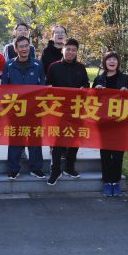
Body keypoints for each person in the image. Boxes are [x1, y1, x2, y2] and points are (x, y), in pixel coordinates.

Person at [1, 36, 46, 180]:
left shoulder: (38, 65)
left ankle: (36, 168)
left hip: (34, 109)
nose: (24, 49)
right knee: (15, 139)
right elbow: (4, 88)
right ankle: (13, 169)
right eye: (21, 46)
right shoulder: (9, 65)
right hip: (15, 109)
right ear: (16, 49)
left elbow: (42, 86)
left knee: (35, 139)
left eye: (26, 46)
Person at [46, 38, 90, 186]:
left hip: (76, 109)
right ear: (62, 50)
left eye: (73, 50)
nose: (70, 52)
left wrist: (84, 88)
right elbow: (47, 84)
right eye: (68, 49)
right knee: (56, 141)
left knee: (74, 139)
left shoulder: (81, 68)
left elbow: (86, 84)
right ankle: (55, 170)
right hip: (58, 110)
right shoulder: (53, 67)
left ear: (76, 52)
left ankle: (69, 167)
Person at [92, 51, 128, 196]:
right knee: (105, 153)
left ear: (118, 62)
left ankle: (115, 182)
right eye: (109, 59)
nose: (112, 61)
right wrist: (96, 91)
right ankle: (107, 182)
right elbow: (91, 100)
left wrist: (127, 92)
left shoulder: (125, 78)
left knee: (117, 154)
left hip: (120, 122)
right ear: (105, 62)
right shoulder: (99, 79)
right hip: (103, 122)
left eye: (114, 59)